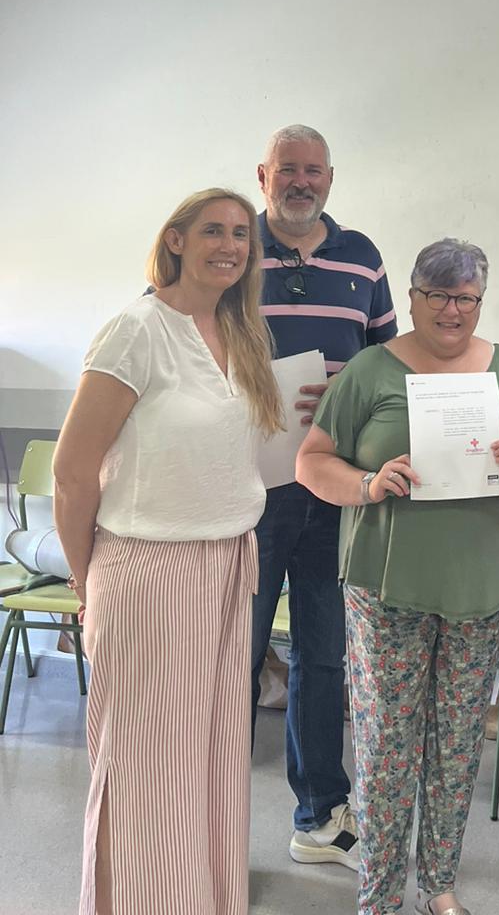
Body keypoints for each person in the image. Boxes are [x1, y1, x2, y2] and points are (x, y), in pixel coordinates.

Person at [296, 238, 499, 915]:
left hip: (479, 584)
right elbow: (311, 461)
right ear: (411, 298)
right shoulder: (370, 370)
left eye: (466, 297)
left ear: (480, 301)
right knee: (387, 745)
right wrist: (368, 483)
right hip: (388, 584)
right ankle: (379, 896)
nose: (451, 309)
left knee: (458, 743)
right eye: (436, 294)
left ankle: (439, 885)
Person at [53, 189, 283, 915]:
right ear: (176, 240)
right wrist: (86, 580)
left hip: (228, 565)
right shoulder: (136, 329)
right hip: (148, 568)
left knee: (212, 763)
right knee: (145, 771)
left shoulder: (244, 333)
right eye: (213, 230)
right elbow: (71, 472)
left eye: (242, 234)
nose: (230, 246)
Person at [251, 124, 398, 871]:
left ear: (330, 180)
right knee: (232, 656)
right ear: (263, 175)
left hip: (332, 490)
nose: (300, 182)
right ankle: (205, 822)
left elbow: (389, 364)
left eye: (313, 171)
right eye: (288, 169)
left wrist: (356, 398)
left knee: (322, 654)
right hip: (246, 493)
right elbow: (172, 338)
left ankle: (318, 818)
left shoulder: (362, 257)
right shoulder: (228, 247)